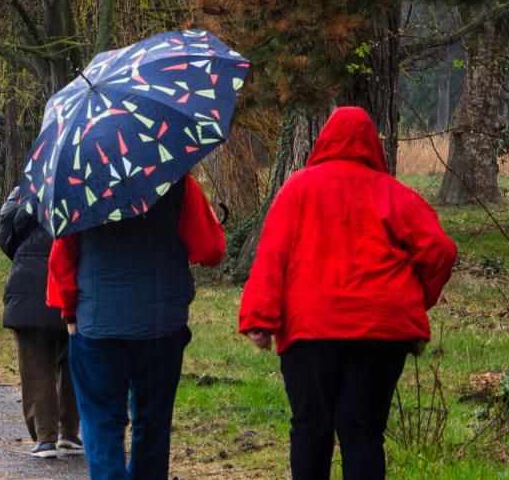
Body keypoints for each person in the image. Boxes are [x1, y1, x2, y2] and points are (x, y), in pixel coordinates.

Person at [239, 106, 456, 480]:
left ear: (324, 141)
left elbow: (272, 254)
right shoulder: (394, 195)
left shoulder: (298, 188)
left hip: (310, 332)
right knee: (363, 431)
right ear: (374, 147)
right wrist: (417, 302)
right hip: (380, 333)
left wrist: (260, 317)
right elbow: (440, 250)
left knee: (310, 428)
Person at [46, 172, 226, 480]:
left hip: (97, 327)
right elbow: (211, 249)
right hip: (162, 326)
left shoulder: (82, 186)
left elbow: (62, 258)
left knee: (102, 426)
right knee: (153, 427)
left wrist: (69, 312)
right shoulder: (177, 182)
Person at [0, 188, 80, 459]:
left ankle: (45, 436)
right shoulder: (83, 191)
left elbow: (5, 237)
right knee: (70, 359)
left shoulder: (23, 194)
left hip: (26, 285)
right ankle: (69, 430)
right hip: (69, 283)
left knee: (35, 364)